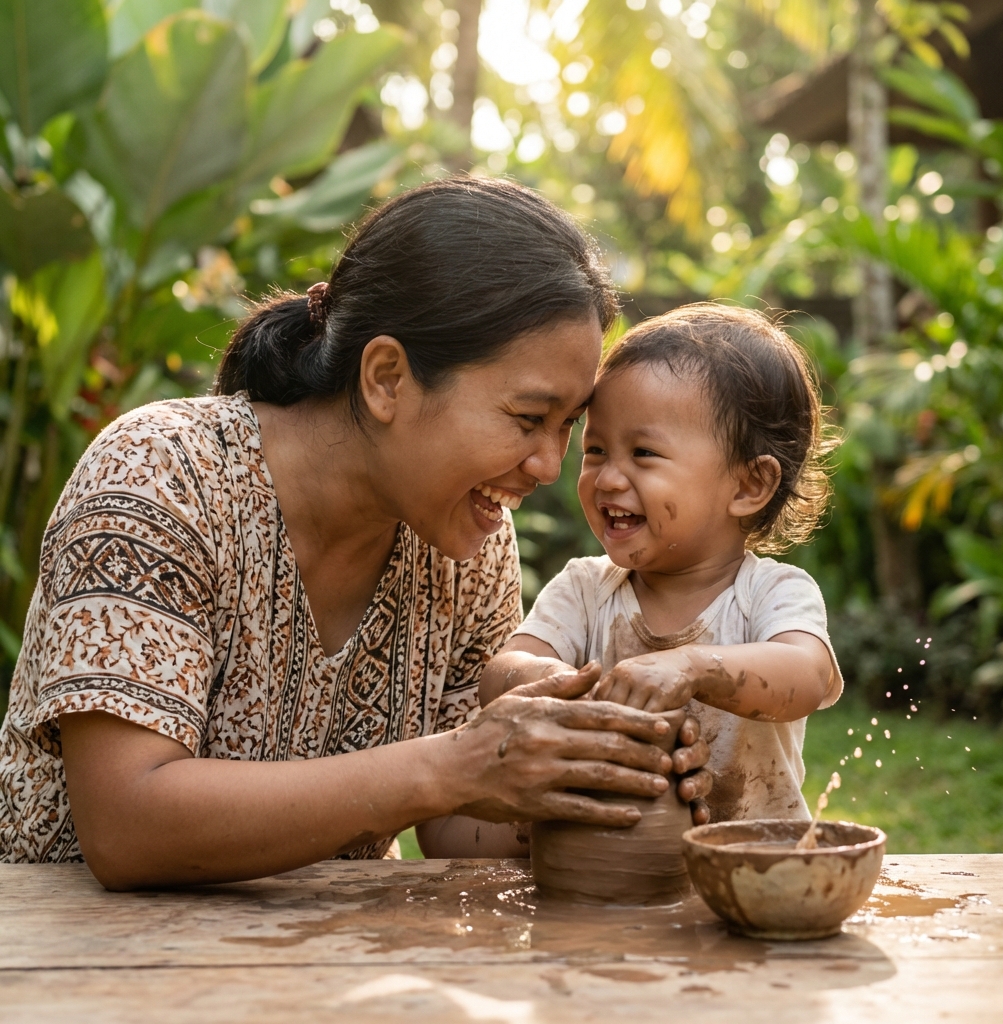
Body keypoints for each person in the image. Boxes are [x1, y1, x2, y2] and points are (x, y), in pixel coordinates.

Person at [0, 178, 711, 887]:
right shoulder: (161, 478)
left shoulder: (468, 542)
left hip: (315, 972)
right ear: (386, 378)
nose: (550, 466)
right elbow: (126, 827)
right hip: (73, 972)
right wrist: (457, 762)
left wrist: (587, 768)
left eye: (567, 428)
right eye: (528, 418)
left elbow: (456, 828)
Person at [480, 303, 842, 822]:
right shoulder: (585, 590)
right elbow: (501, 674)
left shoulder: (771, 593)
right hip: (610, 874)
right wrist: (572, 690)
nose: (607, 479)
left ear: (748, 484)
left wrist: (692, 667)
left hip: (754, 872)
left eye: (644, 453)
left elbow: (805, 678)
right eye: (597, 450)